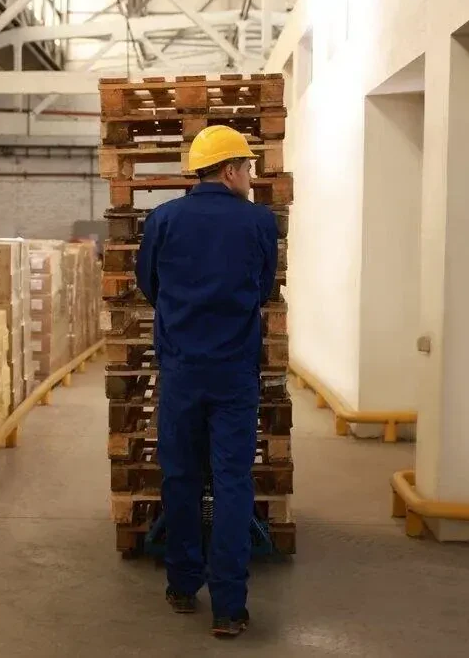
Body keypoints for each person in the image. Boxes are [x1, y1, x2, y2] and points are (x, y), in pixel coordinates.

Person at [134, 125, 279, 638]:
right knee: (233, 481)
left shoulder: (164, 220)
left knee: (182, 477)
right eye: (247, 169)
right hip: (234, 373)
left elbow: (148, 284)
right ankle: (229, 608)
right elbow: (264, 287)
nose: (250, 178)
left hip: (182, 370)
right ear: (230, 170)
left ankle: (180, 584)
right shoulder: (259, 222)